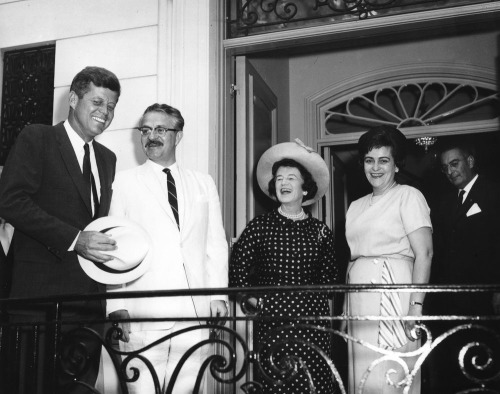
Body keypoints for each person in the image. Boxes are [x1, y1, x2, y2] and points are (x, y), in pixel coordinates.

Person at [0, 66, 121, 393]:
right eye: (97, 102)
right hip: (40, 303)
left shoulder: (108, 158)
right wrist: (74, 239)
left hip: (89, 307)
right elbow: (10, 201)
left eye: (111, 107)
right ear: (72, 99)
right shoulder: (37, 137)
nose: (104, 113)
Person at [106, 103, 228, 394]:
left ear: (178, 135)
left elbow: (215, 243)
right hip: (143, 313)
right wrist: (117, 304)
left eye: (160, 129)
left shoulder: (203, 183)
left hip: (194, 313)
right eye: (145, 130)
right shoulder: (124, 182)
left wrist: (218, 295)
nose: (151, 137)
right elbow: (114, 246)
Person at [229, 140, 339, 393]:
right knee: (278, 384)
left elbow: (330, 281)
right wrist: (258, 303)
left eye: (291, 178)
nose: (284, 183)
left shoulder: (320, 231)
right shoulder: (259, 226)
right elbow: (237, 273)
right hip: (273, 321)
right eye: (279, 179)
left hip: (313, 322)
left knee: (314, 383)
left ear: (305, 187)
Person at [344, 125, 433, 394]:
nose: (375, 167)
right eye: (369, 160)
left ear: (396, 165)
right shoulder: (355, 206)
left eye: (384, 160)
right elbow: (353, 257)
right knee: (362, 376)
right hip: (359, 298)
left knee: (392, 375)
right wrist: (344, 308)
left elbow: (425, 253)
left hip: (394, 291)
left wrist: (415, 306)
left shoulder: (409, 196)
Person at [425, 141, 500, 393]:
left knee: (485, 363)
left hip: (485, 300)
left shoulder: (493, 194)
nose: (450, 171)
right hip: (450, 301)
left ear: (469, 161)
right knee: (455, 364)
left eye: (454, 163)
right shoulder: (444, 203)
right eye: (445, 167)